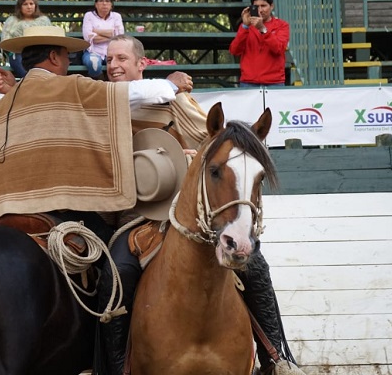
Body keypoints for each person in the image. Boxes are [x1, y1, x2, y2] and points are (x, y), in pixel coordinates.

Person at [97, 34, 294, 375]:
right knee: (118, 273)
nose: (113, 66)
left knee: (257, 267)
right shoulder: (101, 106)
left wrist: (193, 156)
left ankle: (277, 359)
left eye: (121, 59)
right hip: (137, 218)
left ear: (140, 64)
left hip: (190, 216)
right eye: (109, 60)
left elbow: (211, 146)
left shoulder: (176, 105)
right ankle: (114, 368)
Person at [0, 25, 188, 230]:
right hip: (52, 206)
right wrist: (171, 83)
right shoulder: (70, 87)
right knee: (108, 250)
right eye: (66, 55)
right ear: (53, 57)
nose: (69, 62)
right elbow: (131, 94)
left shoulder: (2, 104)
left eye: (121, 58)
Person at [229, 0, 290, 87]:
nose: (260, 10)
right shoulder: (246, 26)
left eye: (263, 6)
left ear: (271, 6)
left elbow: (279, 48)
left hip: (274, 82)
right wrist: (245, 26)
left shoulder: (282, 25)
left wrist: (263, 29)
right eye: (256, 6)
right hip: (249, 82)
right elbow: (234, 50)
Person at [0, 0, 52, 78]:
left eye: (31, 4)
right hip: (18, 54)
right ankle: (31, 82)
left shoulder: (44, 21)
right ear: (20, 7)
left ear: (35, 5)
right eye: (25, 4)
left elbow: (50, 39)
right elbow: (5, 41)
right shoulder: (12, 21)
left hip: (40, 53)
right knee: (27, 73)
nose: (29, 7)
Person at [81, 0, 124, 79]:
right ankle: (100, 83)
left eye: (107, 1)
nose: (104, 4)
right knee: (94, 63)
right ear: (96, 4)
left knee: (123, 63)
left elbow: (119, 36)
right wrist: (111, 35)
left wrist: (96, 31)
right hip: (93, 51)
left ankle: (114, 86)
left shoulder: (116, 16)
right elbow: (88, 37)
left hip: (112, 52)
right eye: (101, 1)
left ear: (111, 5)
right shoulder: (89, 15)